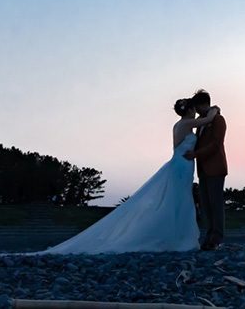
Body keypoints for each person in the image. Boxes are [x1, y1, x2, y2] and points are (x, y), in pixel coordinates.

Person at [37, 98, 219, 254]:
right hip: (182, 165)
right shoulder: (186, 123)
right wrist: (215, 109)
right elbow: (209, 119)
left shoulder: (180, 125)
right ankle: (175, 238)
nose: (196, 112)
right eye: (194, 109)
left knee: (180, 198)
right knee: (179, 198)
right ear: (188, 110)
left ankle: (177, 237)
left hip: (183, 164)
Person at [183, 89, 227, 250]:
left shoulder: (218, 120)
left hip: (215, 167)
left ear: (203, 104)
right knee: (206, 205)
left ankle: (216, 238)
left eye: (197, 107)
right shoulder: (202, 122)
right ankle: (209, 236)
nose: (196, 112)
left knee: (216, 203)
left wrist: (196, 154)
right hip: (202, 169)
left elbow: (216, 144)